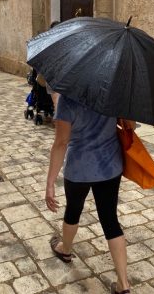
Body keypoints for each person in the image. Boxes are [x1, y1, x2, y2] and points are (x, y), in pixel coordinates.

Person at [46, 95, 132, 294]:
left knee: (73, 210)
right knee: (110, 220)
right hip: (110, 165)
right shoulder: (113, 94)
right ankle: (123, 285)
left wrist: (50, 183)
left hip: (79, 168)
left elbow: (61, 142)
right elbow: (131, 126)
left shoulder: (67, 100)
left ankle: (65, 249)